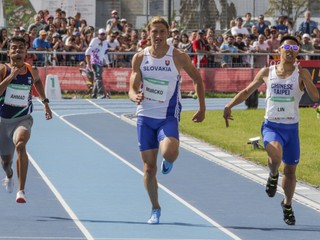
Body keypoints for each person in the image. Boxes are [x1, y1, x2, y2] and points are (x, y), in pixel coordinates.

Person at [223, 35, 319, 225]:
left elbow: (315, 96)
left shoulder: (302, 73)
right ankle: (273, 174)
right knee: (275, 156)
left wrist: (305, 77)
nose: (290, 52)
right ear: (279, 50)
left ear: (298, 53)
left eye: (294, 49)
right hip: (272, 125)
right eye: (287, 48)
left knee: (291, 172)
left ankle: (287, 204)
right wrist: (229, 105)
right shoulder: (268, 72)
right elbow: (246, 91)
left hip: (291, 129)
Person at [128, 16, 206, 224]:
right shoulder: (139, 58)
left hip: (167, 116)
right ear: (148, 33)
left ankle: (169, 160)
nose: (158, 36)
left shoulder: (178, 56)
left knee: (170, 152)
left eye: (162, 31)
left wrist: (202, 108)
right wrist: (134, 96)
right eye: (155, 31)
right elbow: (132, 86)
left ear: (168, 34)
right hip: (145, 116)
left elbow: (197, 79)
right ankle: (155, 208)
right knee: (148, 168)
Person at [0, 36, 53, 203]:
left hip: (22, 119)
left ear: (26, 52)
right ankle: (9, 175)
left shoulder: (32, 70)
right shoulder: (2, 70)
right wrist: (10, 77)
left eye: (21, 48)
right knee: (5, 161)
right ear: (8, 52)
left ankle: (21, 191)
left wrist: (45, 102)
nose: (17, 51)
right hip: (2, 121)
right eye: (14, 48)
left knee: (21, 144)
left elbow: (37, 82)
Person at [85, 28, 109, 99]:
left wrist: (107, 63)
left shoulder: (105, 43)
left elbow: (105, 53)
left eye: (103, 34)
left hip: (100, 63)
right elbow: (88, 52)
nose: (102, 36)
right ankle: (100, 94)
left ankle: (94, 94)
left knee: (97, 79)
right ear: (98, 34)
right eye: (101, 34)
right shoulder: (94, 40)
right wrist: (89, 64)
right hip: (94, 61)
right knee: (98, 78)